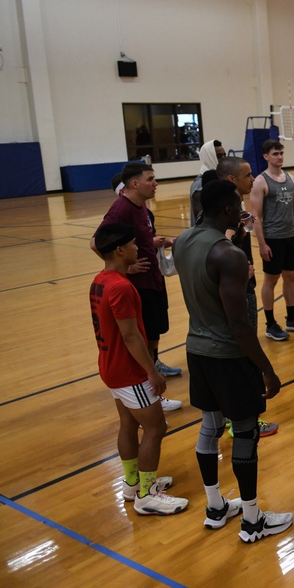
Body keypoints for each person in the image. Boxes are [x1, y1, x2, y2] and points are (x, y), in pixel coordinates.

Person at [173, 180, 292, 541]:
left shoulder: (182, 242)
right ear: (228, 209)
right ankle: (253, 520)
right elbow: (239, 325)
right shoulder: (229, 255)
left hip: (197, 350)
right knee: (245, 431)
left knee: (210, 427)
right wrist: (267, 370)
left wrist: (235, 236)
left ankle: (215, 507)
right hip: (229, 356)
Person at [90, 223, 188, 516]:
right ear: (120, 250)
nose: (138, 248)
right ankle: (147, 494)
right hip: (130, 372)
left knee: (129, 424)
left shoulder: (101, 280)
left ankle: (133, 483)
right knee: (157, 426)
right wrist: (152, 372)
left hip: (110, 369)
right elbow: (130, 336)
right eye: (133, 244)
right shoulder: (121, 287)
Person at [92, 162, 183, 407]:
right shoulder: (121, 209)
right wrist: (128, 268)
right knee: (141, 336)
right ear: (134, 184)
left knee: (153, 335)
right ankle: (151, 390)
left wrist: (152, 242)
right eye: (151, 179)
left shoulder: (141, 206)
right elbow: (95, 242)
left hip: (153, 280)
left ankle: (151, 377)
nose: (156, 184)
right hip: (139, 284)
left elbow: (137, 238)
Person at [211, 159, 278, 438]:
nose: (253, 178)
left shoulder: (234, 209)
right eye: (247, 175)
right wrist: (240, 266)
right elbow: (221, 243)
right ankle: (240, 418)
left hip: (243, 284)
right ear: (231, 179)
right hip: (238, 287)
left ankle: (235, 415)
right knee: (243, 348)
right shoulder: (226, 215)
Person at [249, 139, 294, 342]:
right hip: (272, 239)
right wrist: (262, 244)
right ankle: (270, 324)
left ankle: (291, 318)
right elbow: (256, 216)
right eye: (275, 154)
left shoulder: (290, 178)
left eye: (281, 153)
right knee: (271, 280)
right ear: (266, 156)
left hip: (290, 237)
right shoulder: (260, 181)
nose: (280, 157)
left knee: (290, 277)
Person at [189, 139, 226, 223]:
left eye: (224, 155)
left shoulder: (220, 177)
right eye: (219, 156)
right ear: (209, 157)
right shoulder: (199, 185)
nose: (223, 159)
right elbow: (201, 218)